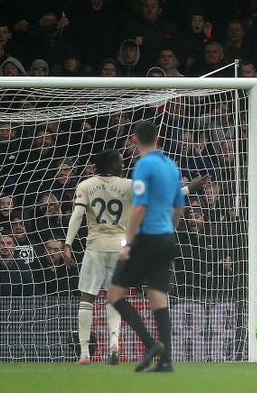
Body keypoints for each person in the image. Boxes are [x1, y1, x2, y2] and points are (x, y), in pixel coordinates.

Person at [106, 120, 185, 373]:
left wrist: (128, 243)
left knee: (115, 295)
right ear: (157, 138)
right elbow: (179, 205)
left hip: (147, 238)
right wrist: (170, 231)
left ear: (134, 139)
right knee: (158, 297)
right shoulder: (170, 165)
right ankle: (166, 361)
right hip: (166, 238)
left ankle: (150, 344)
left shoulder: (143, 165)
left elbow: (139, 207)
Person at [64, 149, 130, 365]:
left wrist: (67, 244)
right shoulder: (128, 185)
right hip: (120, 248)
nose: (123, 164)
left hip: (95, 247)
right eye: (120, 161)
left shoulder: (86, 185)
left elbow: (78, 215)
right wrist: (188, 188)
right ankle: (114, 343)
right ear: (112, 164)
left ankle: (84, 353)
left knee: (87, 300)